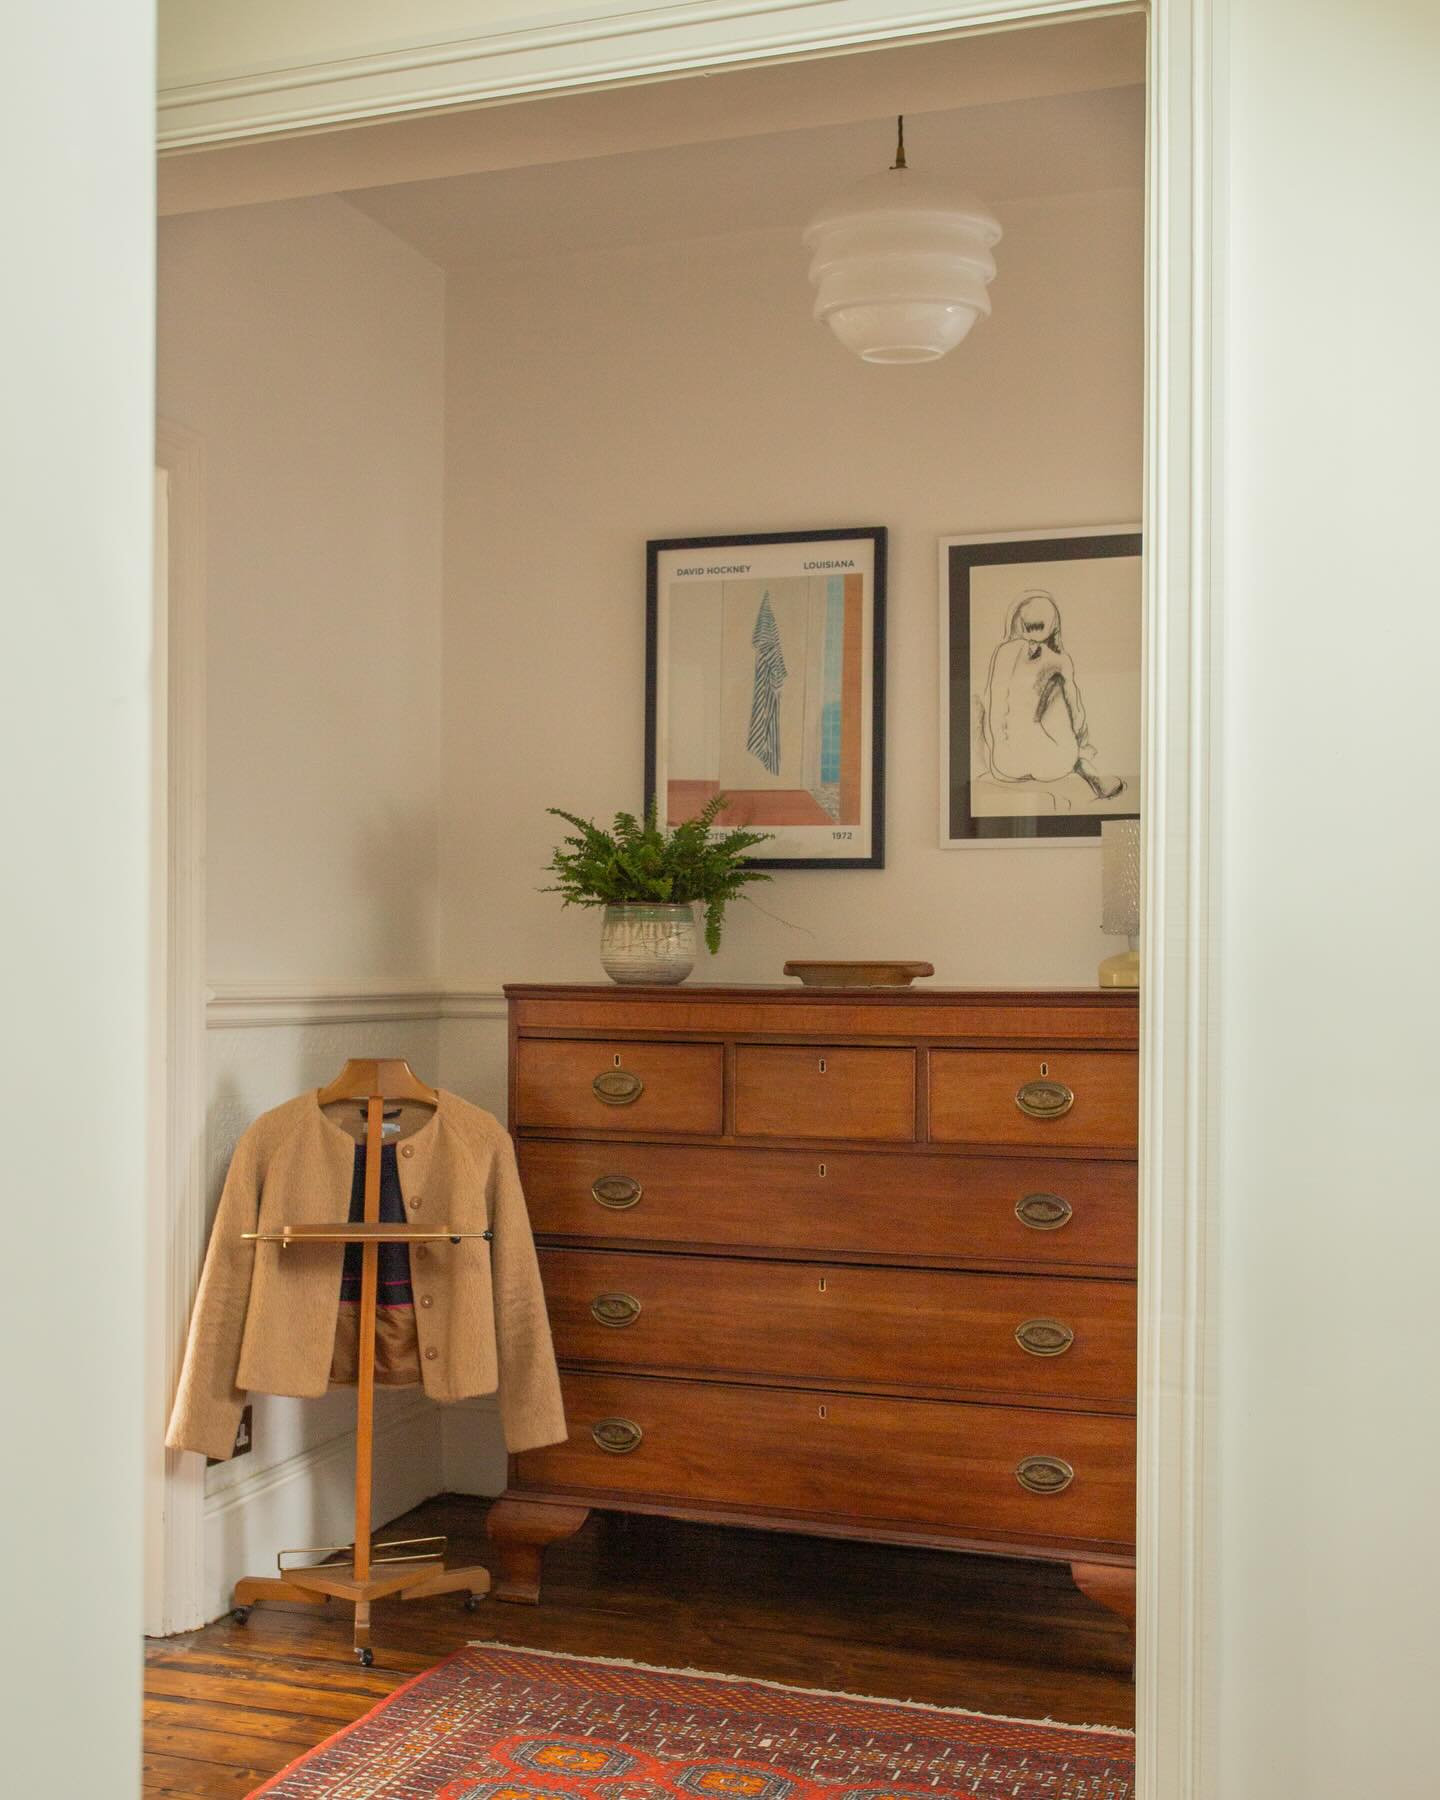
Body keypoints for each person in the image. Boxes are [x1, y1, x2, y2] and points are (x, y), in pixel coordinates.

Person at [981, 589, 1125, 801]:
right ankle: (1086, 766)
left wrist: (997, 752)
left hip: (1004, 765)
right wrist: (1080, 743)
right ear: (1054, 625)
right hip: (1053, 764)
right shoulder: (1059, 659)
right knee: (1058, 690)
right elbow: (1077, 715)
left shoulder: (1002, 653)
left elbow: (993, 709)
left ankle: (1080, 761)